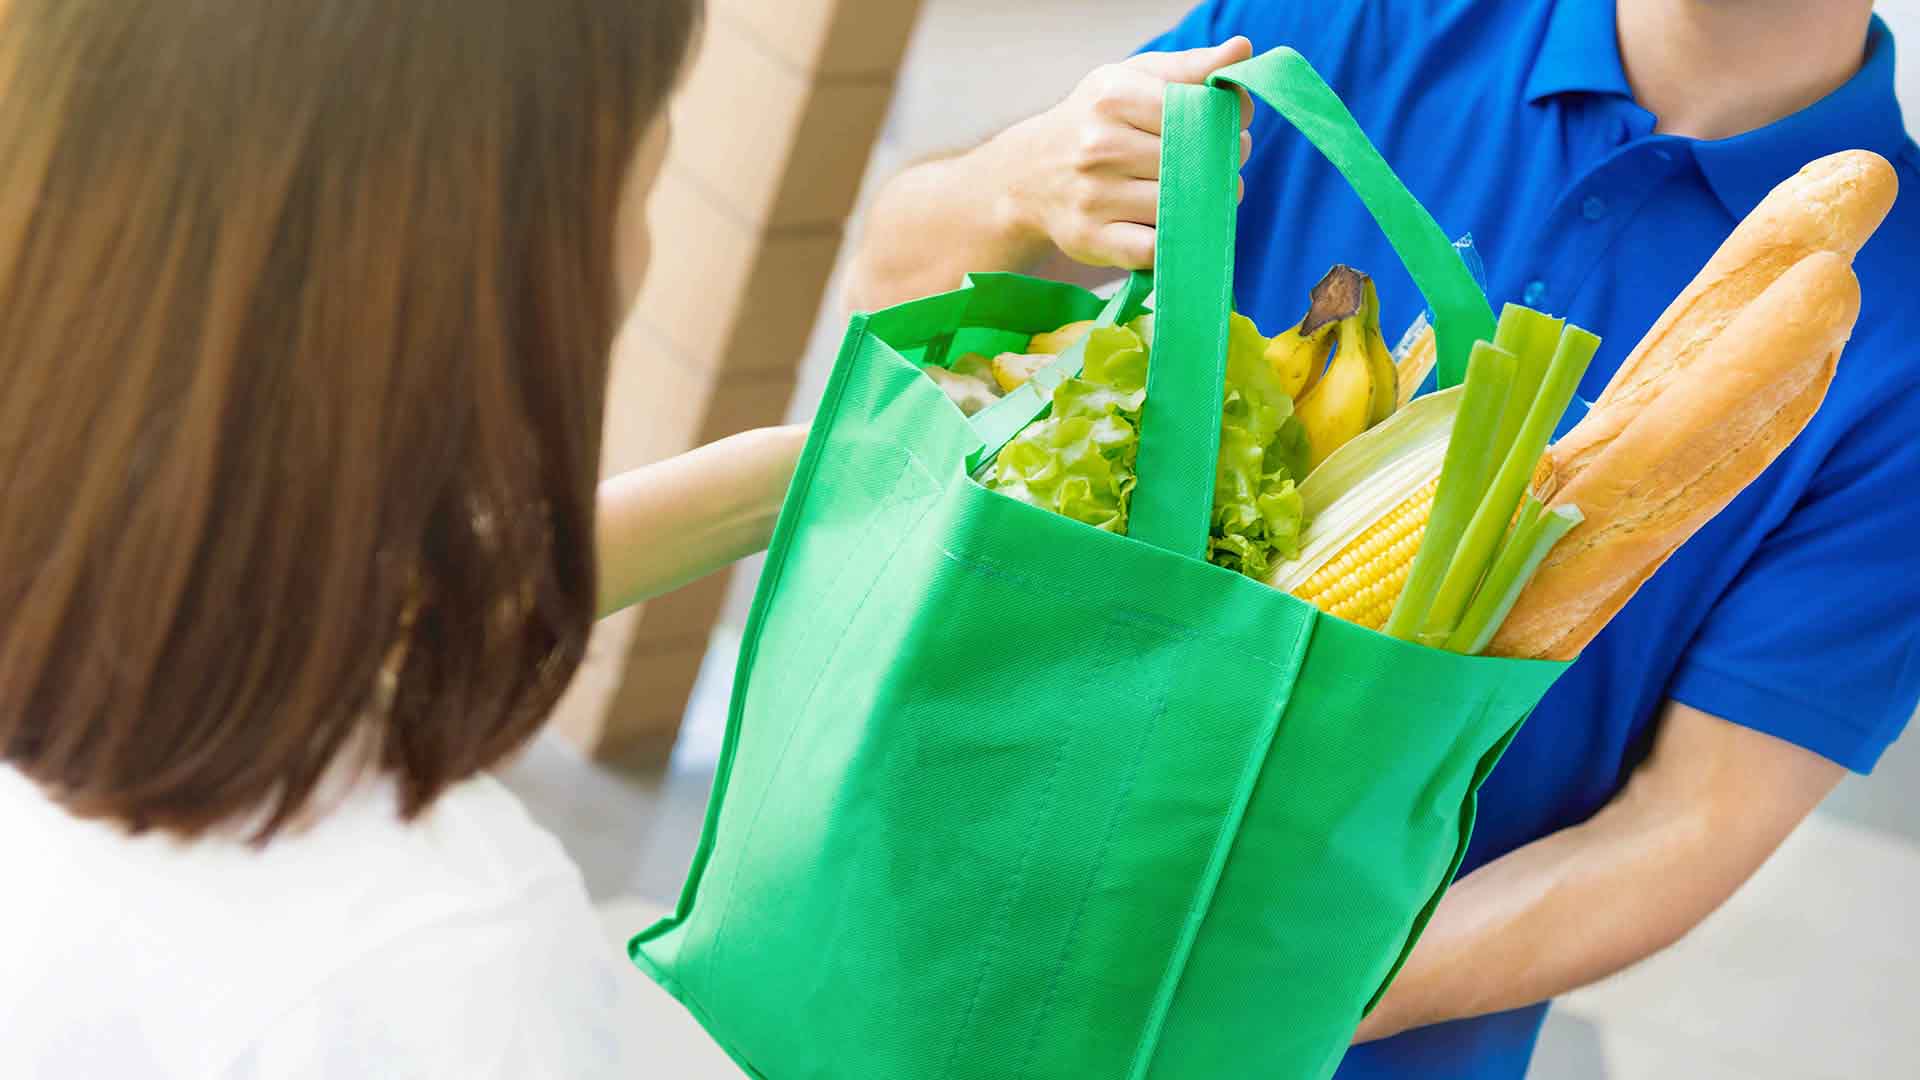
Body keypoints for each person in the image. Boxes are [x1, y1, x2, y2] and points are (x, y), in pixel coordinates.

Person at [850, 1, 1920, 1076]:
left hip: (1333, 1044)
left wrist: (1252, 985)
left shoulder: (1906, 341)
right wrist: (1013, 184)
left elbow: (1688, 828)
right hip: (951, 920)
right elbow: (898, 286)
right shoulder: (1342, 21)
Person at [0, 1, 807, 1076]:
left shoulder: (104, 594)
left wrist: (771, 484)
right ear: (502, 248)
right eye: (647, 145)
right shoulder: (437, 970)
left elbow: (310, 594)